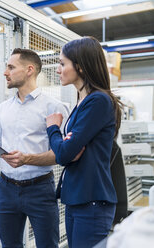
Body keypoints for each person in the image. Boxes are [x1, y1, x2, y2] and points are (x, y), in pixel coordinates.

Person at [0, 48, 70, 248]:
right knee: (9, 245)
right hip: (5, 188)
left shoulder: (54, 107)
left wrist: (27, 159)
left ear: (29, 70)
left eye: (11, 67)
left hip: (40, 190)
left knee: (47, 245)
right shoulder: (3, 107)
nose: (5, 72)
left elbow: (63, 154)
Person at [46, 36, 123, 248]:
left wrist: (53, 128)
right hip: (77, 199)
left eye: (62, 64)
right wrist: (66, 145)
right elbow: (68, 150)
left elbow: (63, 153)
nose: (58, 69)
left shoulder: (98, 100)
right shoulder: (83, 101)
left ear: (79, 66)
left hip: (92, 202)